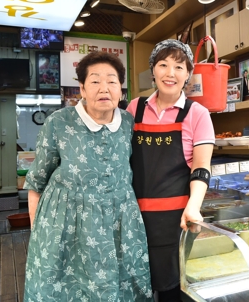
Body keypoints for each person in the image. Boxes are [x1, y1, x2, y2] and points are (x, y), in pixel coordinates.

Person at [23, 51, 153, 301]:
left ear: (121, 91)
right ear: (82, 89)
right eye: (95, 81)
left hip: (119, 222)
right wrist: (38, 230)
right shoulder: (58, 122)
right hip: (66, 223)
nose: (104, 88)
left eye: (112, 81)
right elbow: (37, 180)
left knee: (122, 285)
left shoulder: (128, 122)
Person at [127, 39, 215, 302]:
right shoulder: (134, 108)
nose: (170, 73)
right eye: (163, 65)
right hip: (133, 218)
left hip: (175, 220)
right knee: (134, 287)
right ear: (153, 70)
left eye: (179, 66)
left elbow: (201, 167)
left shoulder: (197, 114)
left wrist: (194, 206)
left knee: (170, 291)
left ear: (188, 73)